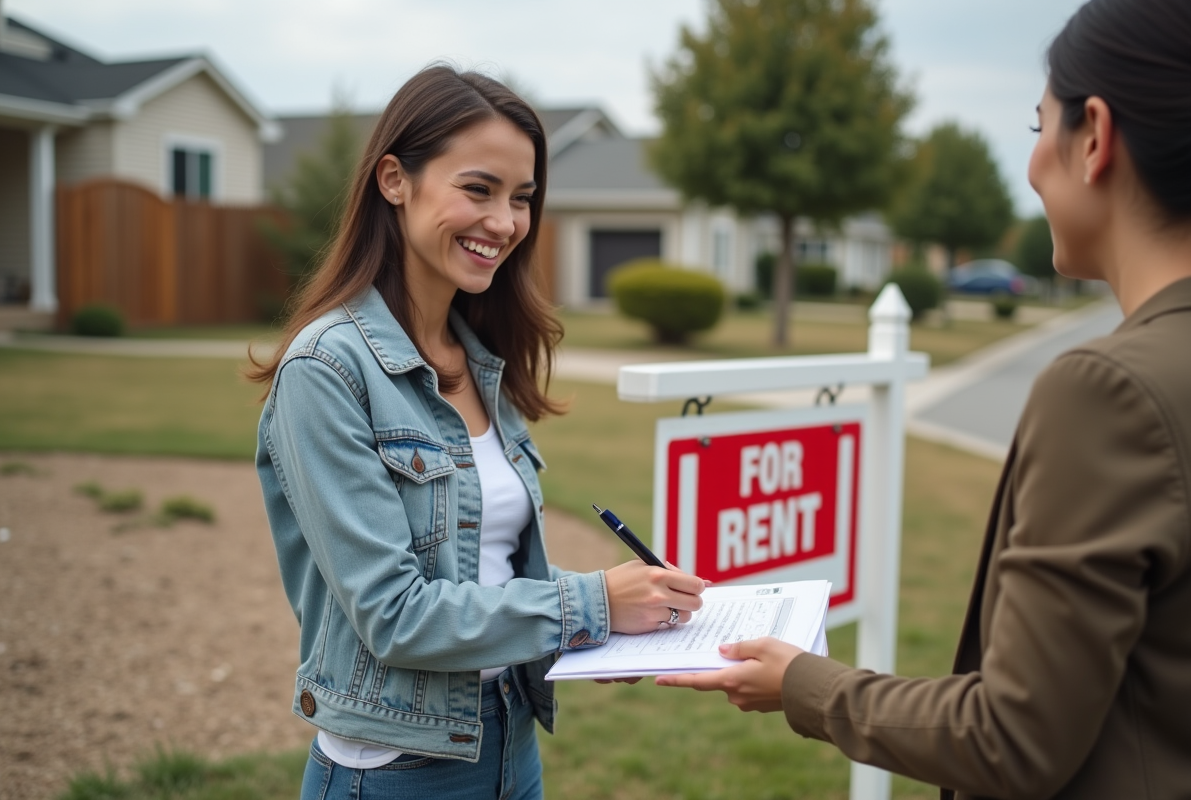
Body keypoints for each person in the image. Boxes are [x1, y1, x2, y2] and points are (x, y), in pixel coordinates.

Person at [656, 1, 1191, 798]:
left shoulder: (1108, 391)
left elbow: (1014, 736)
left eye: (1039, 125)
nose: (1031, 166)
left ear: (1095, 138)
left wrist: (805, 683)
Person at [248, 65, 706, 800]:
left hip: (510, 744)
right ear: (394, 180)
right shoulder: (326, 370)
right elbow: (394, 616)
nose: (505, 222)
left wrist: (606, 625)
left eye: (521, 198)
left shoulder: (480, 357)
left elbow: (481, 571)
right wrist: (590, 605)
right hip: (395, 771)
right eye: (478, 189)